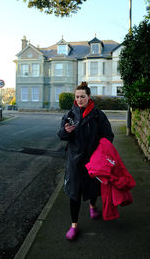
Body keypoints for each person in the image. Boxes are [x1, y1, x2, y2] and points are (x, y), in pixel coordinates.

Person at [57, 82, 114, 241]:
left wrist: (102, 152)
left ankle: (93, 206)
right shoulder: (70, 115)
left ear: (89, 97)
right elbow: (61, 135)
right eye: (77, 97)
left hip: (93, 160)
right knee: (74, 192)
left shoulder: (98, 115)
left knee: (93, 187)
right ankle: (74, 225)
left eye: (83, 96)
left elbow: (108, 135)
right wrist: (66, 132)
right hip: (74, 161)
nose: (80, 99)